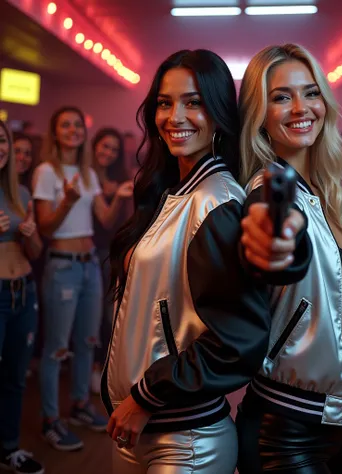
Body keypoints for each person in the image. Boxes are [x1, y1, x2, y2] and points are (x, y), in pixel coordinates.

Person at [103, 49, 271, 474]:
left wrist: (146, 396)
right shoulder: (171, 192)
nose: (175, 116)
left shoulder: (217, 200)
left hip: (185, 440)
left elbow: (238, 342)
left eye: (193, 102)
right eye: (165, 102)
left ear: (218, 113)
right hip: (138, 428)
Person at [236, 43, 342, 474]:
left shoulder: (326, 193)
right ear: (260, 113)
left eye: (311, 92)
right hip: (284, 430)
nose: (301, 107)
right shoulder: (268, 193)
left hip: (341, 410)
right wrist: (275, 246)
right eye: (281, 97)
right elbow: (274, 243)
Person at [33, 106, 134, 451]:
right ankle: (50, 420)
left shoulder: (89, 173)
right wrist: (67, 202)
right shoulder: (47, 172)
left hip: (90, 263)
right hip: (62, 265)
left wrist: (118, 199)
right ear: (55, 131)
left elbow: (104, 221)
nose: (74, 129)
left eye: (78, 124)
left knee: (88, 342)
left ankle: (79, 405)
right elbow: (45, 227)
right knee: (56, 348)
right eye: (66, 125)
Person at [0, 120, 44, 474]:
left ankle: (9, 448)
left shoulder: (21, 194)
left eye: (2, 141)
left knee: (16, 376)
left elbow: (34, 251)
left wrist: (29, 234)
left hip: (23, 292)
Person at [90, 127, 131, 395]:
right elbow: (103, 219)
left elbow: (120, 223)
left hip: (108, 253)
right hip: (88, 253)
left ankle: (100, 368)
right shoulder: (86, 177)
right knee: (95, 317)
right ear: (94, 146)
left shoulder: (120, 181)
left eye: (114, 150)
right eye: (104, 146)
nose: (108, 153)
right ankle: (92, 369)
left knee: (108, 316)